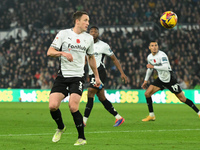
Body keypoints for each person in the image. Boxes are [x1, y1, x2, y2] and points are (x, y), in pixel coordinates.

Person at [47, 11, 101, 145]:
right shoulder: (63, 34)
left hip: (77, 77)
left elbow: (91, 58)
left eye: (88, 20)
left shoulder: (88, 38)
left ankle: (82, 138)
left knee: (73, 106)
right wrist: (63, 53)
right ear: (77, 21)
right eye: (85, 20)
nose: (88, 23)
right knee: (53, 106)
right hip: (62, 76)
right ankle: (60, 127)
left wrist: (97, 76)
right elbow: (50, 52)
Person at [141, 41, 200, 121]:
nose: (154, 47)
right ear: (149, 47)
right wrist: (145, 80)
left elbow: (165, 67)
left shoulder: (162, 55)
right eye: (152, 45)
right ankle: (151, 115)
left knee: (182, 99)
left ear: (158, 46)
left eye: (156, 45)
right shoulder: (149, 57)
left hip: (170, 79)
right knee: (147, 93)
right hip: (161, 79)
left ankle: (199, 112)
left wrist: (153, 66)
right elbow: (150, 68)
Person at [83, 26, 128, 127]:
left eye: (95, 32)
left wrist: (122, 72)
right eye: (91, 31)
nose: (93, 33)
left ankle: (83, 121)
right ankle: (119, 118)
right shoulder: (85, 45)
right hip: (91, 74)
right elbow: (85, 60)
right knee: (102, 97)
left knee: (90, 92)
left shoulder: (103, 45)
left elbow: (114, 59)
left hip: (100, 72)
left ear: (98, 34)